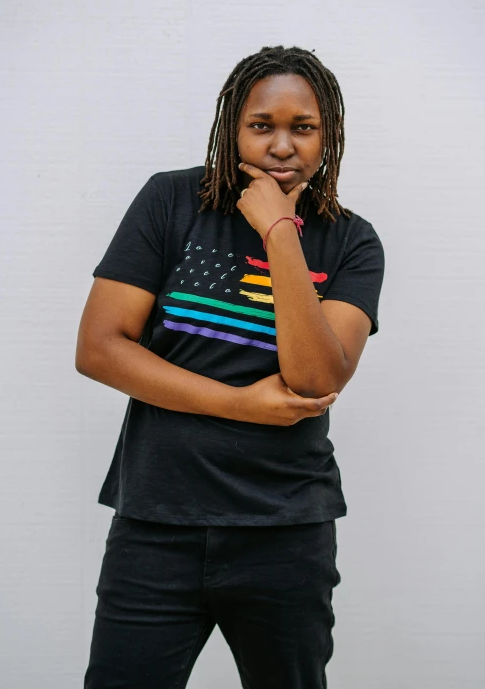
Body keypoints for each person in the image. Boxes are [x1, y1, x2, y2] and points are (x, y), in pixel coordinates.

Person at [76, 45, 385, 689]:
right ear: (231, 128)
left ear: (328, 136)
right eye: (261, 125)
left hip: (286, 532)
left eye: (303, 128)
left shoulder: (352, 241)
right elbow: (101, 347)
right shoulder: (170, 202)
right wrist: (240, 404)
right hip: (156, 525)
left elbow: (316, 378)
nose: (281, 145)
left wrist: (279, 232)